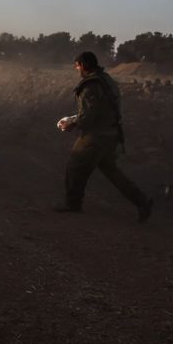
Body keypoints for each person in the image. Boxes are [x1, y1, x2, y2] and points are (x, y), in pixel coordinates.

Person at [55, 51, 153, 222]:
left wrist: (71, 124)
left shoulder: (90, 85)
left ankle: (72, 204)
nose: (76, 69)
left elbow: (88, 116)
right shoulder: (107, 80)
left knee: (75, 166)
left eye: (77, 66)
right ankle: (142, 201)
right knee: (112, 171)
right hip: (111, 134)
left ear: (84, 66)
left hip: (96, 136)